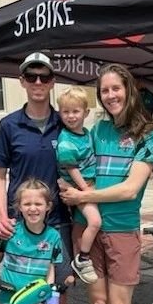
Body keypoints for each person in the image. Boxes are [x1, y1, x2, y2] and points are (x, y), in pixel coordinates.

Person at [59, 63, 153, 304]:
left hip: (120, 230)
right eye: (104, 91)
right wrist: (67, 185)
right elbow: (74, 161)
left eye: (115, 88)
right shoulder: (97, 129)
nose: (110, 95)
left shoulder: (149, 136)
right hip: (88, 229)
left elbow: (131, 189)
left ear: (128, 89)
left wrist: (83, 196)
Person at [0, 51, 87, 304]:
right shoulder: (9, 125)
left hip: (57, 225)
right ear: (22, 81)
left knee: (58, 299)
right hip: (20, 227)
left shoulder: (67, 124)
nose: (38, 83)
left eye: (44, 77)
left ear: (52, 81)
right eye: (31, 77)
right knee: (24, 301)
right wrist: (1, 216)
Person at [55, 87, 101, 284]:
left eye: (75, 111)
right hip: (78, 187)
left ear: (86, 112)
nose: (71, 116)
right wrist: (86, 192)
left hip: (87, 185)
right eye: (66, 112)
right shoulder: (65, 142)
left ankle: (78, 253)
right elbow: (73, 169)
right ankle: (82, 258)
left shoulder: (87, 133)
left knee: (80, 225)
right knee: (95, 222)